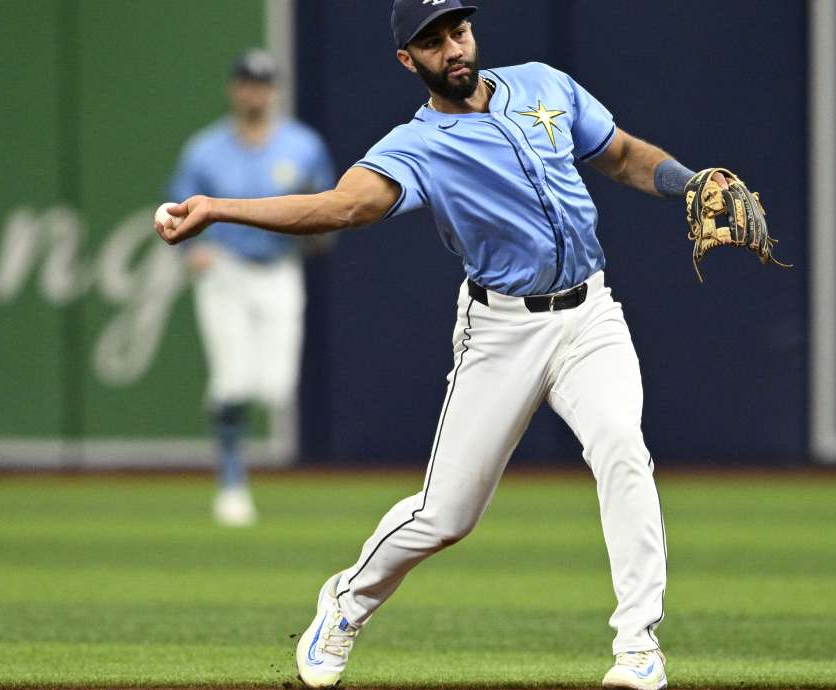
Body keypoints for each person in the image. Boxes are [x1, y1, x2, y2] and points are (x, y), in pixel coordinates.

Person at [157, 3, 732, 687]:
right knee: (447, 515)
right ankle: (345, 603)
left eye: (458, 31)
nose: (453, 49)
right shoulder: (416, 146)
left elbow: (624, 156)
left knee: (622, 450)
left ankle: (638, 648)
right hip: (502, 330)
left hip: (590, 315)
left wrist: (689, 180)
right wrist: (219, 209)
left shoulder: (546, 84)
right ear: (410, 61)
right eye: (432, 42)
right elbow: (342, 206)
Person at [167, 49, 335, 527]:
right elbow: (173, 210)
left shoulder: (302, 145)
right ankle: (232, 481)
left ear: (274, 90)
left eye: (261, 83)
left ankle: (224, 407)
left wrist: (318, 232)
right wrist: (187, 250)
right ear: (233, 88)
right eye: (246, 82)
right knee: (235, 379)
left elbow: (329, 204)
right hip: (224, 267)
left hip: (279, 267)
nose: (253, 91)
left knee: (276, 387)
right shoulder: (204, 149)